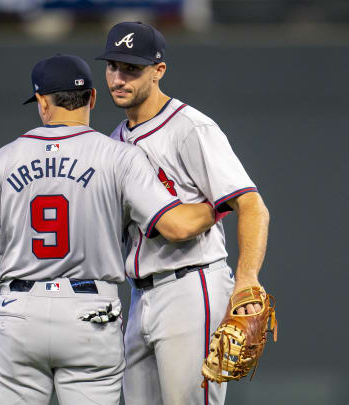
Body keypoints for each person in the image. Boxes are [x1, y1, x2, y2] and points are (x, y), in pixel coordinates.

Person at [0, 54, 217, 405]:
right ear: (92, 97)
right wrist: (221, 204)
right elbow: (176, 226)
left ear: (42, 102)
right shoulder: (119, 156)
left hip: (19, 311)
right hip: (91, 315)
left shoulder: (4, 160)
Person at [96, 22, 271, 405]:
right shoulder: (114, 141)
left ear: (158, 71)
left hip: (191, 286)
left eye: (131, 69)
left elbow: (252, 205)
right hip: (140, 295)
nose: (118, 78)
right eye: (112, 66)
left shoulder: (191, 127)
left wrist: (246, 279)